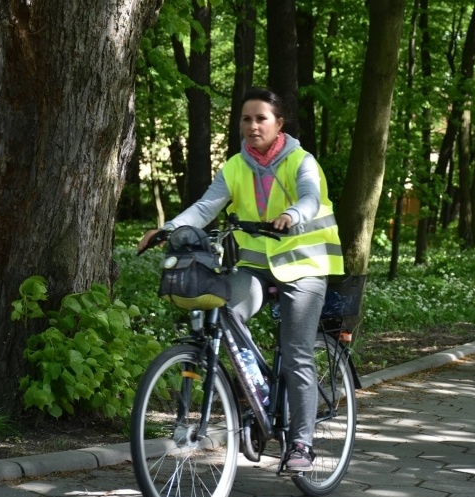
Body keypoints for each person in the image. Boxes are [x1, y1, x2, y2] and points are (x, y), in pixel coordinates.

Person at [138, 87, 344, 472]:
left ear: (278, 123)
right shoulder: (235, 166)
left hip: (305, 266)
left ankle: (300, 442)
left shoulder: (301, 161)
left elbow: (311, 198)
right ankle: (257, 394)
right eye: (246, 119)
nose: (252, 126)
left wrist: (293, 216)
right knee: (226, 312)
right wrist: (167, 229)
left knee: (296, 349)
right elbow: (205, 207)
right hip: (254, 268)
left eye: (261, 118)